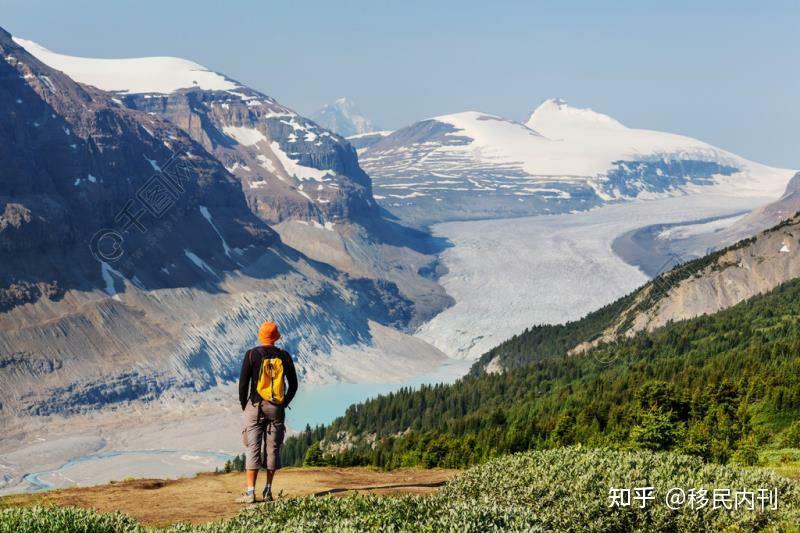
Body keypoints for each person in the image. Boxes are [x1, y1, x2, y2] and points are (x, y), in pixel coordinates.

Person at [236, 321, 298, 503]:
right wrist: (283, 403)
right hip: (276, 408)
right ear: (276, 337)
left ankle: (250, 492)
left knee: (253, 447)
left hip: (255, 406)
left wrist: (245, 405)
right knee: (273, 449)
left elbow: (243, 385)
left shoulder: (251, 355)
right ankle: (268, 490)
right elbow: (294, 385)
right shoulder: (284, 356)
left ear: (260, 336)